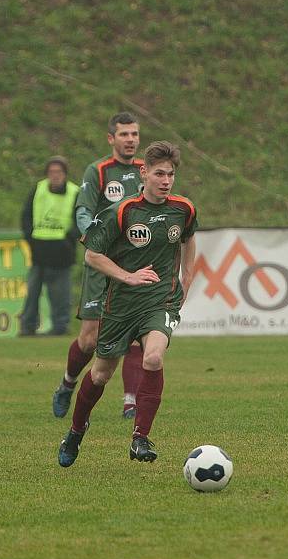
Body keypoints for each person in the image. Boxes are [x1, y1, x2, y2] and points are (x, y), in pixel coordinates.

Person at [57, 141, 197, 467]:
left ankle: (140, 438)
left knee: (153, 357)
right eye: (159, 174)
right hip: (120, 304)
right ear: (144, 173)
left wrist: (187, 278)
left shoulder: (184, 208)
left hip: (161, 299)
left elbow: (189, 239)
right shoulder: (121, 211)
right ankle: (76, 431)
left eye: (171, 174)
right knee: (102, 373)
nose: (166, 181)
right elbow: (93, 255)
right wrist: (127, 275)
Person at [52, 112, 145, 419]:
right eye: (124, 134)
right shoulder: (99, 171)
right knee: (90, 338)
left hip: (134, 264)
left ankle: (131, 401)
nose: (130, 139)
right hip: (102, 263)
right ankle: (67, 383)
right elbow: (83, 210)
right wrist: (93, 237)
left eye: (134, 134)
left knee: (132, 332)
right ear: (111, 138)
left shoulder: (147, 170)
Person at [19, 156, 80, 336]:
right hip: (39, 250)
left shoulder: (74, 192)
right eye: (52, 172)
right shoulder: (38, 190)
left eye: (58, 172)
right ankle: (27, 327)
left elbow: (81, 219)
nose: (55, 176)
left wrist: (70, 239)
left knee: (61, 295)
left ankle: (60, 327)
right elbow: (26, 216)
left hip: (62, 252)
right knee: (32, 293)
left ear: (65, 174)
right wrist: (30, 237)